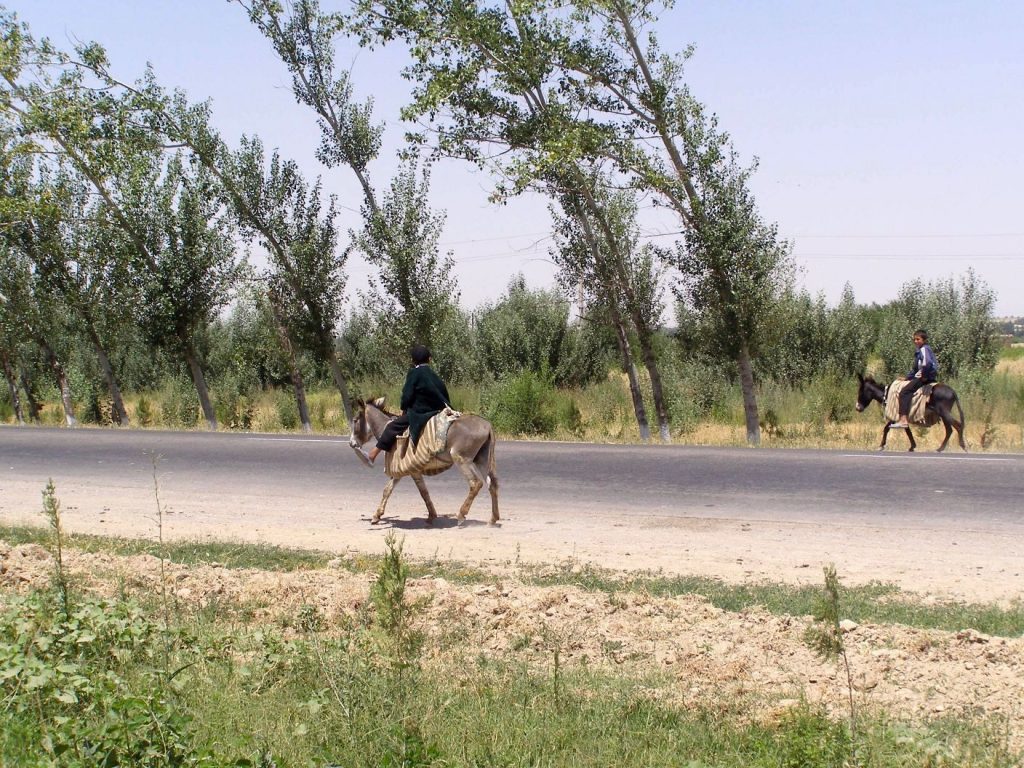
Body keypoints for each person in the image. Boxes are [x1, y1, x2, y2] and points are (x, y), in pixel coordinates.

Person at [366, 344, 451, 465]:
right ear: (429, 359)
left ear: (413, 360)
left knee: (392, 427)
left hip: (421, 412)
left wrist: (404, 409)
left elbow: (407, 395)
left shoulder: (414, 373)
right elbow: (444, 393)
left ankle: (372, 454)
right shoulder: (434, 375)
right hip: (439, 410)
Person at [895, 329, 937, 427]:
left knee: (904, 392)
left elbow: (928, 363)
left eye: (918, 339)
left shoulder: (924, 349)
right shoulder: (921, 350)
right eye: (914, 339)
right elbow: (915, 369)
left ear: (924, 340)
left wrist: (924, 376)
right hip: (924, 376)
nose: (915, 341)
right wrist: (907, 378)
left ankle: (903, 419)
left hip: (924, 378)